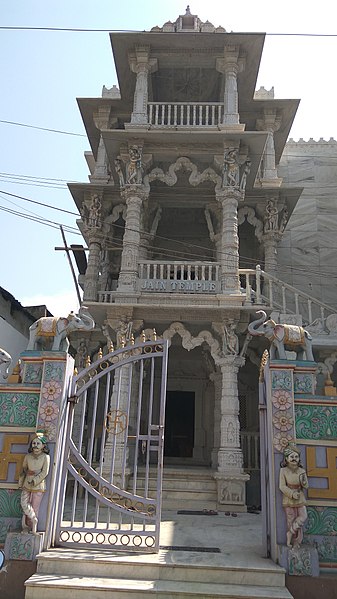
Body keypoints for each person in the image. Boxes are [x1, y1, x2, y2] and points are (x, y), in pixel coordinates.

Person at [18, 432, 50, 534]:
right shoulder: (28, 456)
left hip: (38, 484)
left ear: (43, 446)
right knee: (24, 503)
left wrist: (35, 480)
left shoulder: (45, 457)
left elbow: (45, 472)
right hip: (27, 483)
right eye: (34, 443)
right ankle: (27, 524)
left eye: (38, 443)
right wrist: (21, 483)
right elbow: (23, 470)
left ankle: (33, 528)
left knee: (35, 506)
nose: (35, 446)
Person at [279, 444, 308, 548]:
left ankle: (292, 534)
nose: (294, 459)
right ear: (286, 459)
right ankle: (290, 539)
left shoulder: (302, 471)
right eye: (291, 457)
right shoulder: (283, 471)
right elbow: (282, 486)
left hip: (300, 496)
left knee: (303, 516)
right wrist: (291, 493)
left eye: (296, 457)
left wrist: (304, 481)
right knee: (290, 519)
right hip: (289, 498)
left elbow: (306, 485)